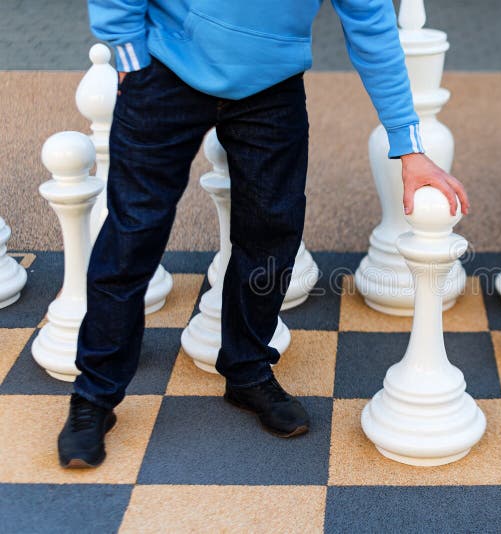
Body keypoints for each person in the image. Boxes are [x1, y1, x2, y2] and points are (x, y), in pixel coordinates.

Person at [58, 0, 469, 468]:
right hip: (166, 66)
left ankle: (248, 368)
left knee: (273, 232)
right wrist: (129, 54)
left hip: (272, 83)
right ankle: (93, 397)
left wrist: (409, 146)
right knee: (133, 233)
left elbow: (371, 25)